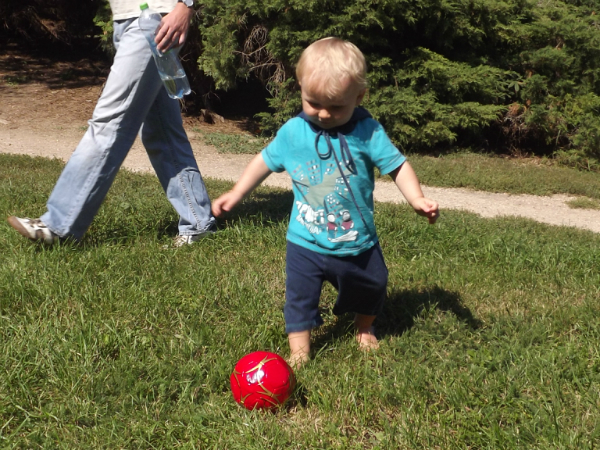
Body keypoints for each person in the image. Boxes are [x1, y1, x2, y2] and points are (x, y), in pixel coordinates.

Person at [211, 37, 439, 367]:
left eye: (336, 107)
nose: (323, 113)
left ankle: (365, 326)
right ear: (300, 88)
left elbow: (397, 165)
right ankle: (299, 352)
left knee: (373, 285)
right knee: (299, 298)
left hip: (356, 241)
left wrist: (416, 198)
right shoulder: (293, 132)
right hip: (304, 240)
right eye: (313, 102)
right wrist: (236, 193)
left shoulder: (368, 132)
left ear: (358, 98)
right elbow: (264, 161)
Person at [7, 0, 216, 247]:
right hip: (127, 20)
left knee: (109, 123)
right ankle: (198, 221)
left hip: (155, 19)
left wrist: (185, 6)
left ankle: (58, 225)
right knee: (161, 130)